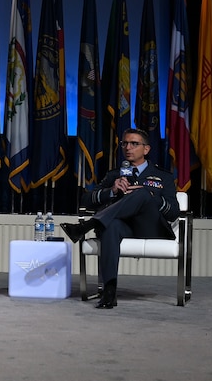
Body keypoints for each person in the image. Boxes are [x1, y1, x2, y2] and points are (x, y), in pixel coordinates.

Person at [60, 128, 180, 309]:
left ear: (146, 149)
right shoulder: (114, 175)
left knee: (143, 194)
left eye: (134, 144)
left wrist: (152, 197)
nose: (128, 147)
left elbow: (173, 213)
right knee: (112, 227)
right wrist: (112, 191)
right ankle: (109, 292)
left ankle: (87, 226)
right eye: (125, 143)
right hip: (124, 228)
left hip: (151, 227)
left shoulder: (164, 176)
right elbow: (86, 201)